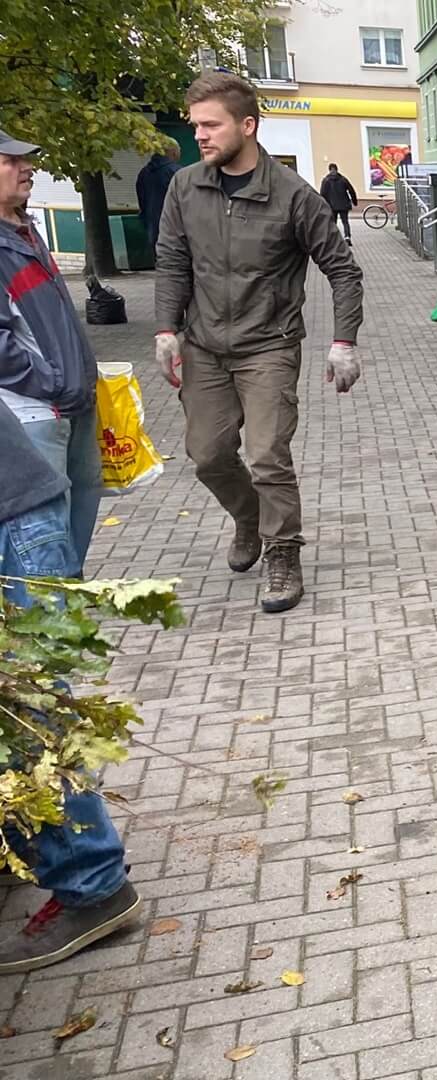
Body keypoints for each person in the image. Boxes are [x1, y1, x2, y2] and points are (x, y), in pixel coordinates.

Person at [154, 72, 365, 613]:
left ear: (247, 126)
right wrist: (164, 329)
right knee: (207, 455)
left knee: (268, 454)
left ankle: (282, 551)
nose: (198, 135)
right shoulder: (185, 187)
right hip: (204, 346)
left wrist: (344, 341)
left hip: (268, 346)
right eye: (195, 124)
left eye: (210, 125)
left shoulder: (293, 197)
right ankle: (248, 517)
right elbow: (174, 262)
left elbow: (342, 270)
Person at [0, 406, 144, 975]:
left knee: (29, 711)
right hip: (20, 506)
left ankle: (93, 885)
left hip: (9, 523)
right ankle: (30, 841)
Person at [0, 129, 103, 571]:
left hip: (74, 405)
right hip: (35, 416)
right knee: (45, 548)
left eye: (27, 159)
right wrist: (53, 383)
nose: (28, 169)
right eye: (11, 161)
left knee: (72, 535)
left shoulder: (26, 231)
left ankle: (65, 615)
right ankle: (49, 630)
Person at [135, 138, 181, 261]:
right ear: (173, 152)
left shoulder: (143, 173)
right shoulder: (177, 173)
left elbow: (142, 202)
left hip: (153, 228)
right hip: (176, 230)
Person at [319, 163, 358, 244]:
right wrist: (354, 202)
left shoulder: (326, 180)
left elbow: (322, 194)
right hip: (344, 205)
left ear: (329, 170)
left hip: (332, 206)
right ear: (337, 169)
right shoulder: (343, 179)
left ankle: (334, 240)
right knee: (345, 222)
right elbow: (351, 190)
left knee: (333, 223)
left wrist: (323, 206)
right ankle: (347, 237)